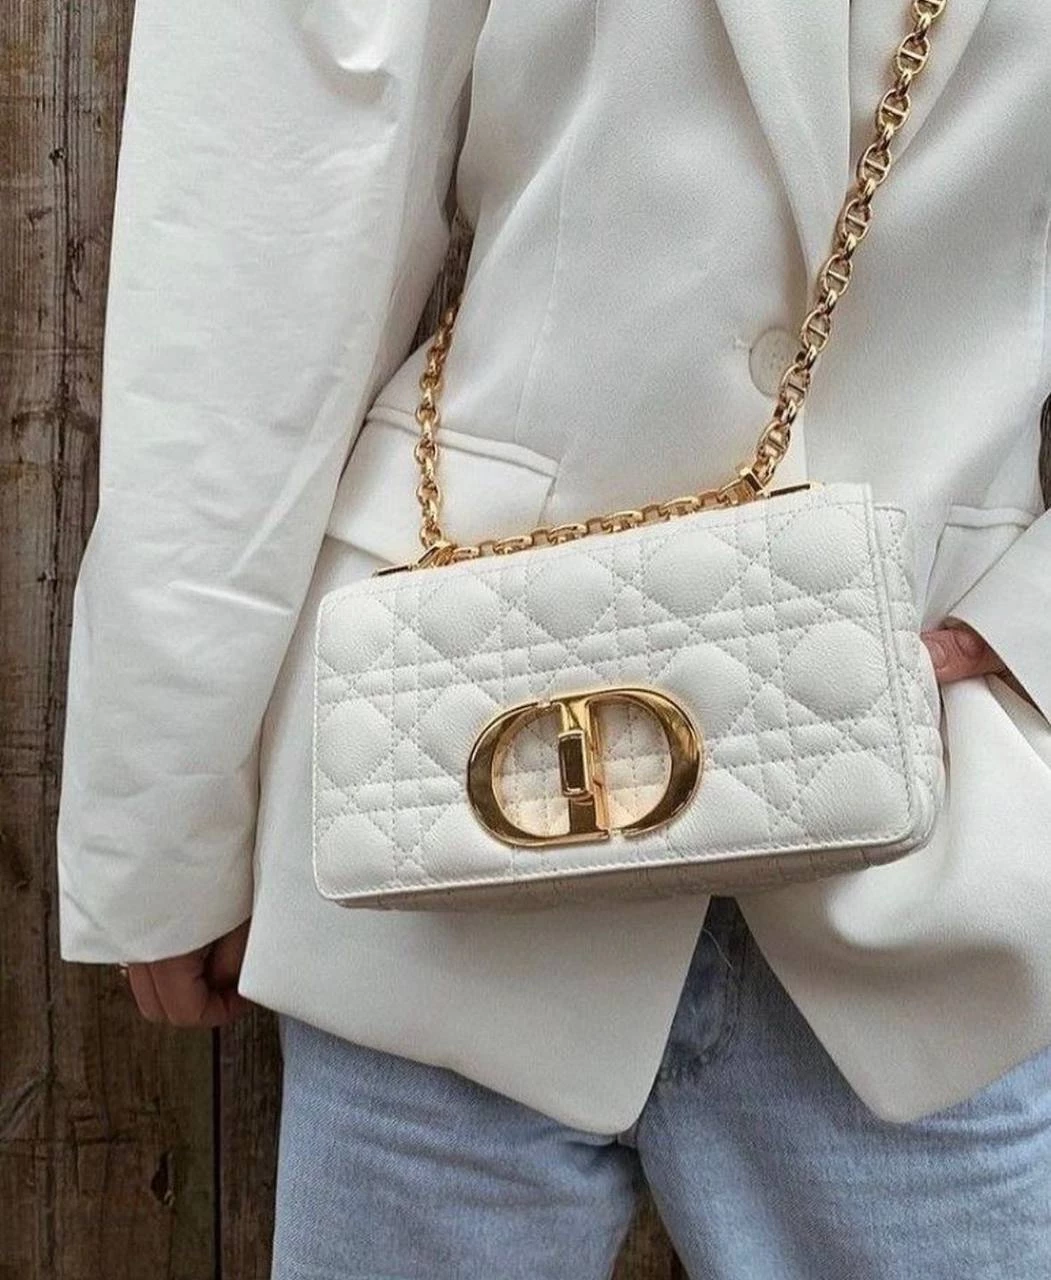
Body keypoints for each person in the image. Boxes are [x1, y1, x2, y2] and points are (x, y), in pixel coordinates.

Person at [57, 1, 1051, 1276]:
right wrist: (167, 818)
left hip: (937, 852)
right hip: (445, 824)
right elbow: (260, 229)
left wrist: (1027, 632)